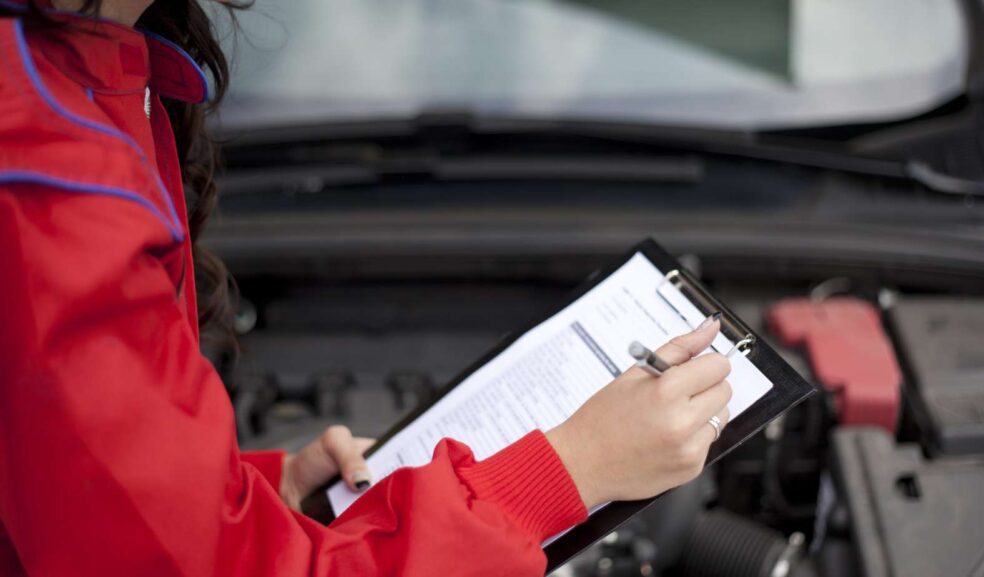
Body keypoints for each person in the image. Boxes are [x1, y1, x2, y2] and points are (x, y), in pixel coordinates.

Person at [0, 1, 733, 575]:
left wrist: (253, 491)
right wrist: (570, 468)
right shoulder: (47, 185)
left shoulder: (82, 71)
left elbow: (68, 501)